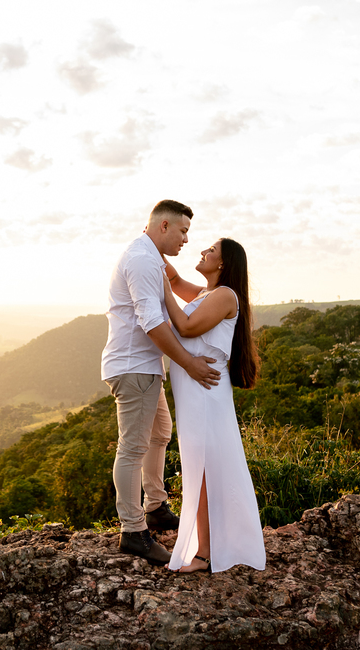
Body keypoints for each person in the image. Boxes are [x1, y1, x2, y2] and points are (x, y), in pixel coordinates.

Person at [102, 200, 222, 565]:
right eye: (183, 231)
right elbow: (153, 322)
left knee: (160, 433)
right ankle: (133, 531)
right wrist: (189, 364)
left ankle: (155, 506)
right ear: (164, 226)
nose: (187, 239)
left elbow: (176, 299)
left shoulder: (151, 258)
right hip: (133, 366)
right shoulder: (141, 259)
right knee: (133, 446)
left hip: (145, 366)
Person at [162, 237, 266, 574]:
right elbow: (174, 281)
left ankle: (206, 553)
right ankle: (213, 545)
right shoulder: (208, 294)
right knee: (202, 467)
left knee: (204, 469)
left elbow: (186, 325)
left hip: (204, 395)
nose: (204, 251)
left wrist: (163, 292)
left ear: (223, 263)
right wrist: (150, 247)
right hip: (196, 394)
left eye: (211, 250)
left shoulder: (224, 295)